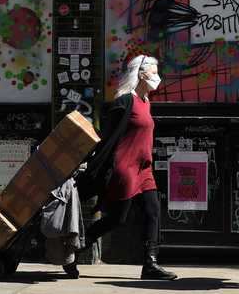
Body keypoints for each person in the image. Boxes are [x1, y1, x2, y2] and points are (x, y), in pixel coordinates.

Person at [75, 54, 177, 281]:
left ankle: (150, 264)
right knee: (117, 219)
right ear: (141, 74)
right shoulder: (124, 101)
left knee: (153, 211)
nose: (156, 75)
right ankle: (75, 250)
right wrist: (96, 166)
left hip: (144, 169)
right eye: (153, 70)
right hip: (125, 168)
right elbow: (108, 138)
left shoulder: (146, 101)